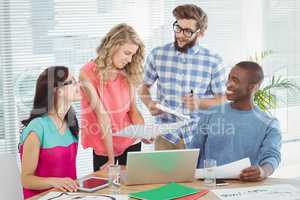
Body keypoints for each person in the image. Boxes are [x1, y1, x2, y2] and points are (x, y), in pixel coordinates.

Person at [176, 61, 282, 181]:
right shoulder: (211, 113)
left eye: (235, 80)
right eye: (229, 78)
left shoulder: (269, 124)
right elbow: (194, 151)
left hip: (244, 187)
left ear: (252, 87)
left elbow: (272, 157)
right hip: (208, 185)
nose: (228, 84)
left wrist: (263, 171)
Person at [139, 4, 226, 150]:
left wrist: (199, 102)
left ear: (201, 33)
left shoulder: (213, 60)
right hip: (166, 136)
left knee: (198, 174)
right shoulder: (157, 55)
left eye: (187, 31)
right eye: (178, 28)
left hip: (198, 136)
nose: (180, 35)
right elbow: (143, 87)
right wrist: (149, 104)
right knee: (163, 174)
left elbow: (223, 99)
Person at [80, 23, 146, 172]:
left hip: (130, 142)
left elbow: (133, 111)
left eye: (133, 55)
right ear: (113, 46)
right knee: (105, 190)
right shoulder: (87, 73)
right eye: (127, 53)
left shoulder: (127, 71)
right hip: (104, 145)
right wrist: (111, 158)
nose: (130, 60)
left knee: (131, 190)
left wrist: (144, 133)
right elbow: (102, 117)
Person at [19, 66, 81, 198]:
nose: (79, 84)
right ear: (58, 90)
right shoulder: (37, 127)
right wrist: (55, 182)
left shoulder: (72, 122)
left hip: (69, 196)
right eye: (73, 81)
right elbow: (26, 179)